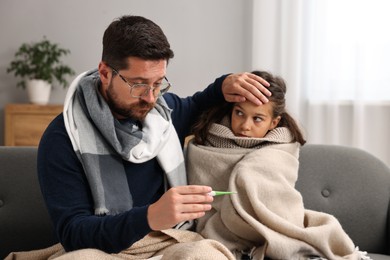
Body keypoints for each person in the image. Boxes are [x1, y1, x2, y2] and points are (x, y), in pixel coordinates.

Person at [34, 15, 272, 259]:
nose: (150, 97)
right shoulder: (62, 138)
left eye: (158, 83)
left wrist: (224, 84)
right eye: (138, 84)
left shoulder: (163, 113)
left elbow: (199, 104)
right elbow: (74, 233)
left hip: (170, 242)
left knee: (204, 254)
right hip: (103, 250)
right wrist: (149, 216)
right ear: (105, 73)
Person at [187, 71, 369, 259]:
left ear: (274, 122)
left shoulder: (282, 150)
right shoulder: (205, 145)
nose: (245, 126)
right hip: (218, 235)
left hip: (275, 231)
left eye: (257, 118)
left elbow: (282, 207)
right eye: (239, 113)